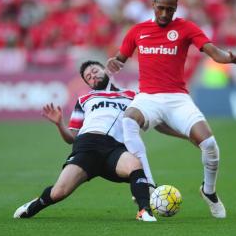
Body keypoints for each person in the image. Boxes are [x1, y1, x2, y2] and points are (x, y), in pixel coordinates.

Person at [106, 0, 236, 219]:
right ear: (153, 5)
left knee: (210, 145)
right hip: (148, 97)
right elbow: (120, 58)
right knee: (128, 120)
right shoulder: (137, 31)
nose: (164, 14)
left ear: (176, 7)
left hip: (177, 99)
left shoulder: (186, 28)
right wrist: (115, 62)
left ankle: (209, 191)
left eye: (170, 10)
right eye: (160, 8)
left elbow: (213, 52)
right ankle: (148, 184)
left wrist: (229, 58)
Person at [13, 61, 157, 222]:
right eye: (88, 77)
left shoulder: (132, 95)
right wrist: (60, 124)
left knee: (135, 165)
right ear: (88, 83)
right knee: (59, 192)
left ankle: (144, 211)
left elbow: (149, 117)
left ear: (104, 70)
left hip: (115, 148)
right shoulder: (84, 99)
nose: (93, 76)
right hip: (88, 145)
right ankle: (34, 205)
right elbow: (71, 138)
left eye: (95, 71)